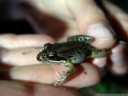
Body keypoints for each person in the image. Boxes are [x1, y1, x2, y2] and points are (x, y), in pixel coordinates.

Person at [0, 0, 128, 96]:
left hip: (88, 51)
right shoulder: (62, 58)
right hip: (72, 42)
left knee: (105, 51)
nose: (43, 57)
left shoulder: (67, 61)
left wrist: (64, 77)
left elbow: (72, 69)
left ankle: (112, 43)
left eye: (48, 56)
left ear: (55, 57)